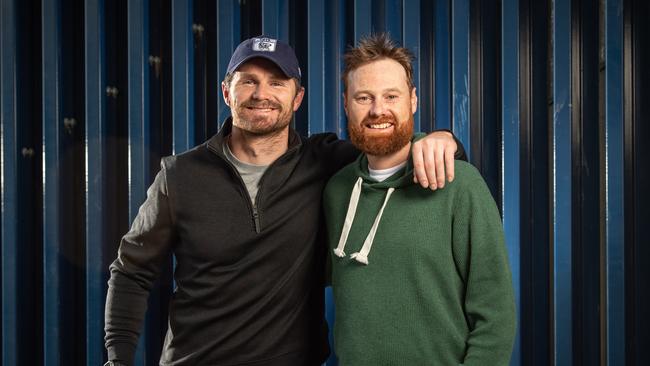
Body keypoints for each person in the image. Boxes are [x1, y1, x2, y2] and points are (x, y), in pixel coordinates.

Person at [103, 35, 465, 366]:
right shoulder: (179, 175)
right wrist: (118, 359)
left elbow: (388, 146)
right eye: (248, 81)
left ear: (298, 98)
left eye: (277, 82)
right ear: (227, 92)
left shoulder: (325, 162)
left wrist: (444, 139)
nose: (262, 93)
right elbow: (131, 271)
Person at [323, 33, 516, 366]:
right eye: (363, 97)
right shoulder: (336, 191)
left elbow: (495, 315)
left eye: (391, 96)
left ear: (412, 100)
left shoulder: (460, 184)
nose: (378, 110)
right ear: (345, 104)